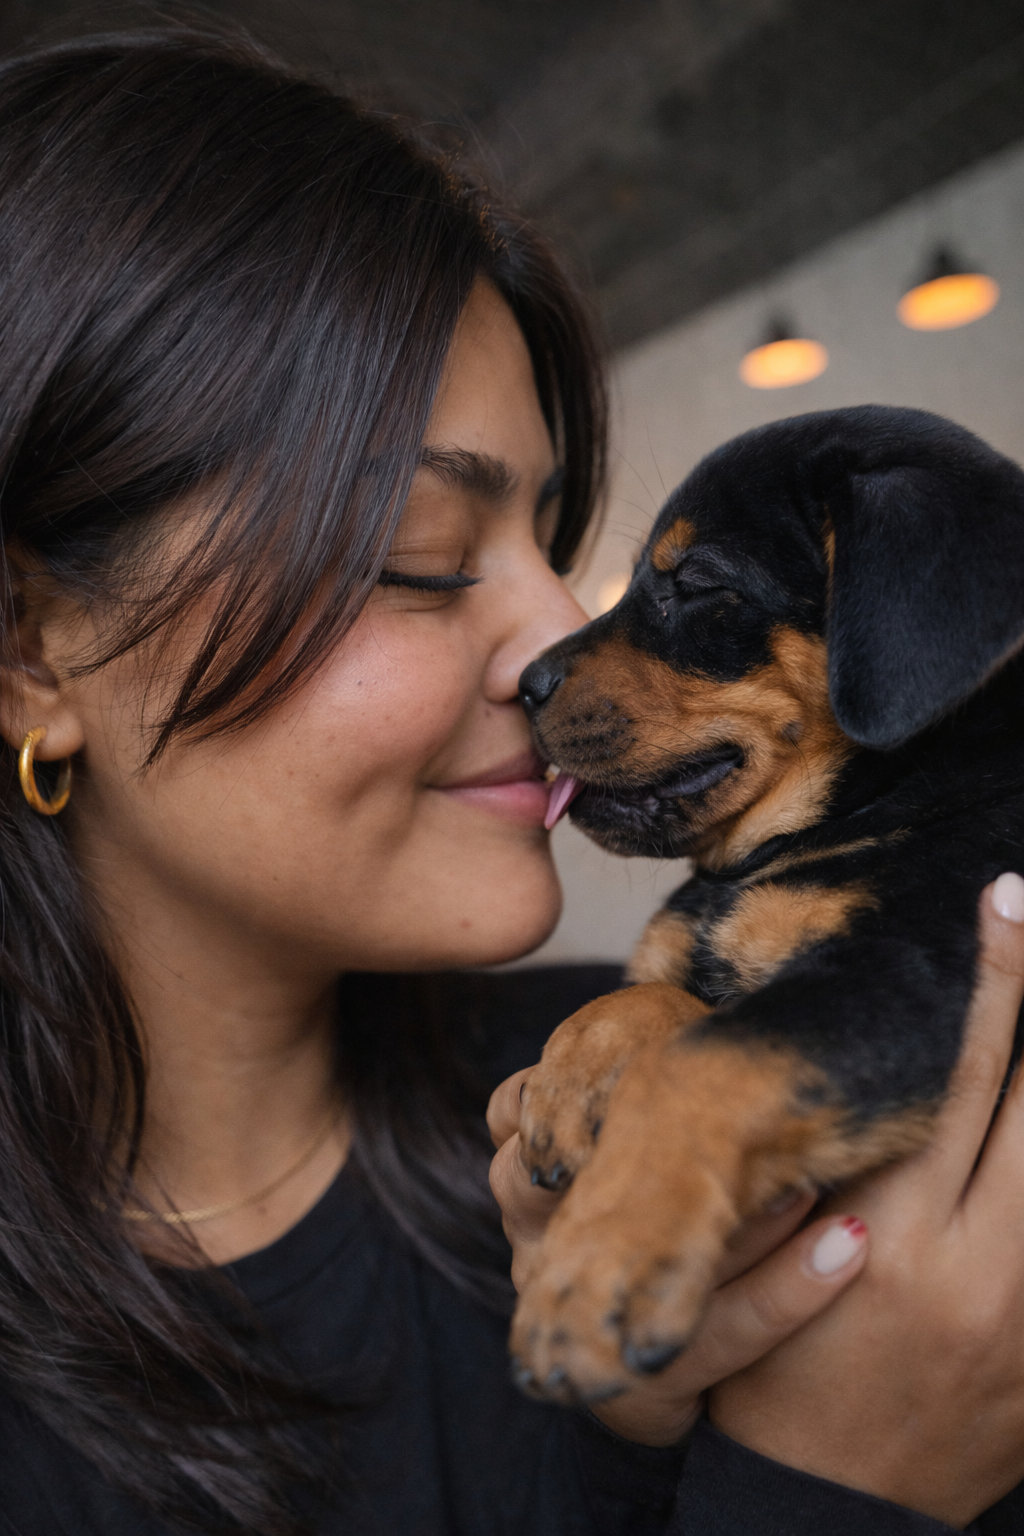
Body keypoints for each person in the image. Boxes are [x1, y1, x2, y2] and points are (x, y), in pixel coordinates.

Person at [0, 22, 1021, 1536]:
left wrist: (646, 1424)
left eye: (552, 539)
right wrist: (842, 1489)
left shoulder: (619, 1061)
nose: (559, 637)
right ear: (31, 652)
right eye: (417, 561)